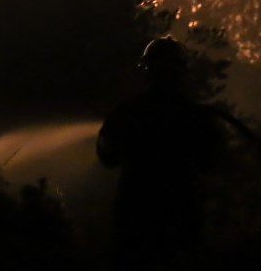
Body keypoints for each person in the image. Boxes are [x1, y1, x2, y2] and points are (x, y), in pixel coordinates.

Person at [97, 36, 226, 269]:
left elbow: (108, 157)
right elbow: (210, 162)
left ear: (147, 71)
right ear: (182, 73)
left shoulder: (128, 112)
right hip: (181, 218)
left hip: (135, 219)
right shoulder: (197, 117)